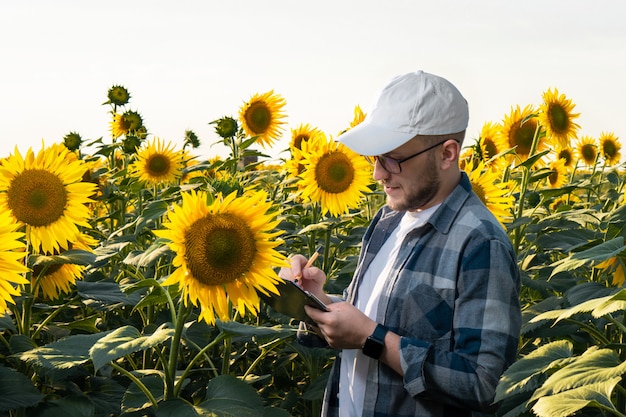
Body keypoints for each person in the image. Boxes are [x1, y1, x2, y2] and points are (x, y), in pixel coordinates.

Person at [280, 70, 521, 417]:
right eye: (374, 158)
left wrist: (371, 339)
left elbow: (484, 383)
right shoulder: (388, 220)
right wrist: (318, 301)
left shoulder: (480, 242)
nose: (378, 173)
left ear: (447, 154)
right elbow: (375, 317)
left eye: (393, 158)